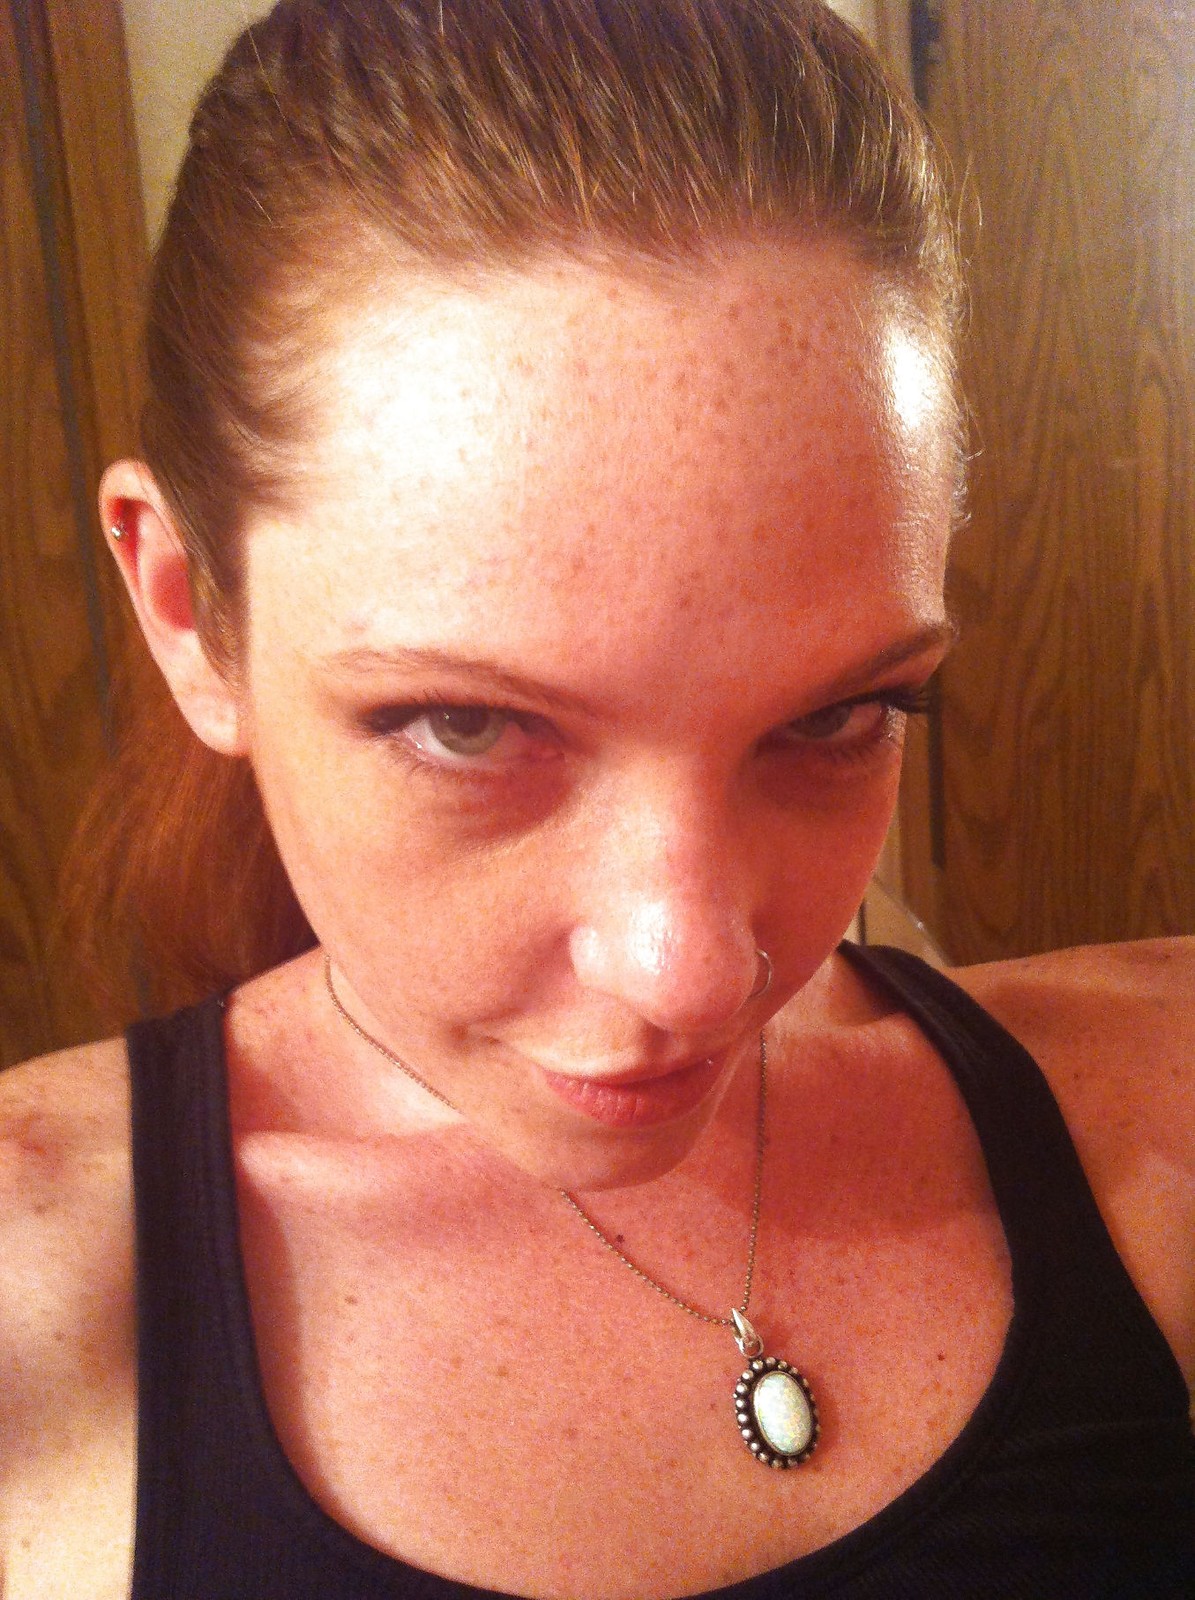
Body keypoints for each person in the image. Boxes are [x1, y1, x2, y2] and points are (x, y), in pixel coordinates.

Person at [2, 1, 1192, 1594]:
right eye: (468, 728)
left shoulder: (1151, 1131)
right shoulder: (37, 1310)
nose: (691, 975)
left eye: (839, 715)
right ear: (184, 613)